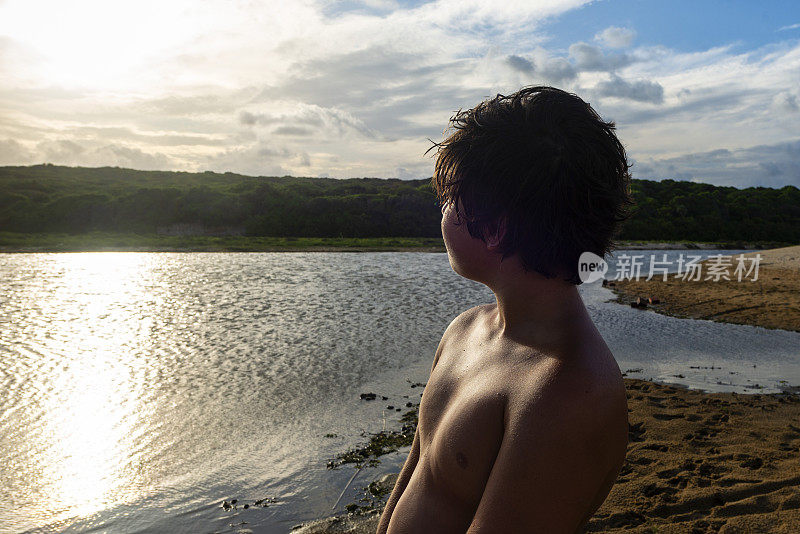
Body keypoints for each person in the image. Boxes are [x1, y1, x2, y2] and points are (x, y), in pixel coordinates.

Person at [376, 86, 634, 534]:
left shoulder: (566, 391)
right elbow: (418, 471)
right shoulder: (465, 330)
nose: (442, 212)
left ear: (494, 228)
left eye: (448, 200)